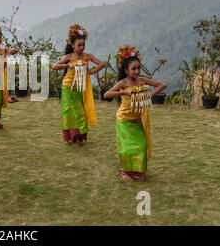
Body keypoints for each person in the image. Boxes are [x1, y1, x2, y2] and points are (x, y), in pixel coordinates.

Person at [104, 45, 166, 181]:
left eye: (139, 68)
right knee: (126, 149)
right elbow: (107, 94)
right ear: (126, 70)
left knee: (142, 146)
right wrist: (124, 92)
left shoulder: (142, 81)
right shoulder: (123, 82)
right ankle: (124, 171)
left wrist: (150, 95)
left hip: (137, 120)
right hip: (124, 120)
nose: (137, 71)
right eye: (134, 69)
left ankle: (137, 172)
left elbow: (162, 85)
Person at [52, 24, 105, 147]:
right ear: (72, 46)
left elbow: (101, 64)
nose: (81, 47)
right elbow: (54, 66)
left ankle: (79, 135)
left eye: (83, 45)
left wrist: (91, 72)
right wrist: (68, 65)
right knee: (72, 111)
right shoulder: (69, 57)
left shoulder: (87, 56)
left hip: (81, 87)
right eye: (79, 45)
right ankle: (73, 138)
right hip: (68, 86)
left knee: (82, 110)